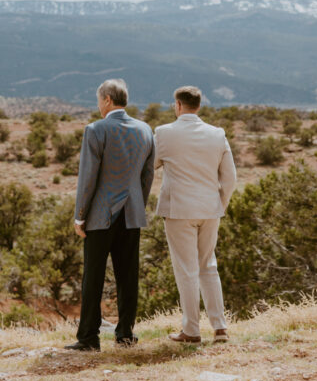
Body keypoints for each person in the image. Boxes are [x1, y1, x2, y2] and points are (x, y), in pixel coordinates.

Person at [66, 78, 155, 351]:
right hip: (132, 215)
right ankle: (125, 335)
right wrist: (138, 202)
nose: (98, 105)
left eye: (98, 100)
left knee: (92, 276)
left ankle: (89, 338)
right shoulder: (145, 130)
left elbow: (88, 179)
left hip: (100, 215)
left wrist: (80, 215)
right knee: (128, 276)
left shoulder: (95, 129)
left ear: (106, 100)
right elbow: (147, 175)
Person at [154, 86, 236, 343]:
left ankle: (191, 330)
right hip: (210, 210)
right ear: (198, 106)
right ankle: (220, 327)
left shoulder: (164, 133)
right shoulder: (217, 134)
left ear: (177, 105)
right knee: (208, 267)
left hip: (179, 211)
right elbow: (231, 179)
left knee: (186, 270)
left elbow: (149, 168)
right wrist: (219, 204)